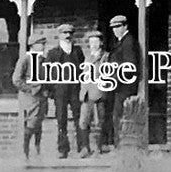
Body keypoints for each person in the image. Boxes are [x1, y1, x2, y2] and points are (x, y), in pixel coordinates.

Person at [43, 23, 85, 159]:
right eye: (64, 33)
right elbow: (47, 74)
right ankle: (63, 149)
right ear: (59, 35)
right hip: (60, 91)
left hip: (75, 90)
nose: (67, 36)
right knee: (61, 119)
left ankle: (82, 147)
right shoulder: (53, 53)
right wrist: (50, 91)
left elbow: (83, 70)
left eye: (69, 33)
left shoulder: (77, 52)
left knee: (79, 117)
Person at [11, 33, 48, 159]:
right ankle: (25, 149)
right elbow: (16, 80)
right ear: (33, 45)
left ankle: (37, 150)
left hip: (41, 96)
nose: (43, 46)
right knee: (32, 122)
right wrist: (30, 89)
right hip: (29, 97)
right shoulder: (25, 59)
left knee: (39, 122)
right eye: (41, 44)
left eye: (44, 44)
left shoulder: (43, 60)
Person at [108, 15, 141, 148]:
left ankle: (121, 145)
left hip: (124, 86)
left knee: (120, 115)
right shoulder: (121, 42)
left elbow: (129, 66)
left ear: (125, 26)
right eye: (113, 28)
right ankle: (119, 144)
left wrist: (115, 79)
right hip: (119, 86)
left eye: (118, 27)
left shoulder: (128, 42)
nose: (115, 30)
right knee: (117, 115)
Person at [78, 31, 110, 157]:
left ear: (101, 43)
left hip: (98, 94)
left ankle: (98, 148)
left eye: (96, 42)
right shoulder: (87, 57)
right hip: (86, 94)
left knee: (98, 122)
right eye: (91, 42)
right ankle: (86, 148)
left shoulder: (105, 57)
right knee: (83, 122)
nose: (93, 45)